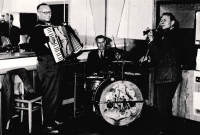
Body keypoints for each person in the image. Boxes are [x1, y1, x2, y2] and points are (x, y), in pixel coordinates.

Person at [139, 13, 182, 135]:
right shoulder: (165, 35)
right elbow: (159, 57)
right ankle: (166, 127)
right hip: (165, 75)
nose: (161, 22)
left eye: (165, 20)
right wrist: (149, 60)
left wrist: (152, 41)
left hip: (168, 75)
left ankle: (167, 129)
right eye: (161, 20)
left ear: (172, 23)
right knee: (163, 103)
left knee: (163, 103)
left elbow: (162, 55)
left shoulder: (173, 35)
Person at [29, 3, 64, 133]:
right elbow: (33, 44)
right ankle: (48, 125)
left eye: (49, 12)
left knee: (57, 93)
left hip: (56, 62)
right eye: (45, 12)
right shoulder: (36, 28)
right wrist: (46, 39)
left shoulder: (52, 26)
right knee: (50, 94)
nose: (48, 15)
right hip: (47, 63)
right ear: (38, 13)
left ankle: (53, 118)